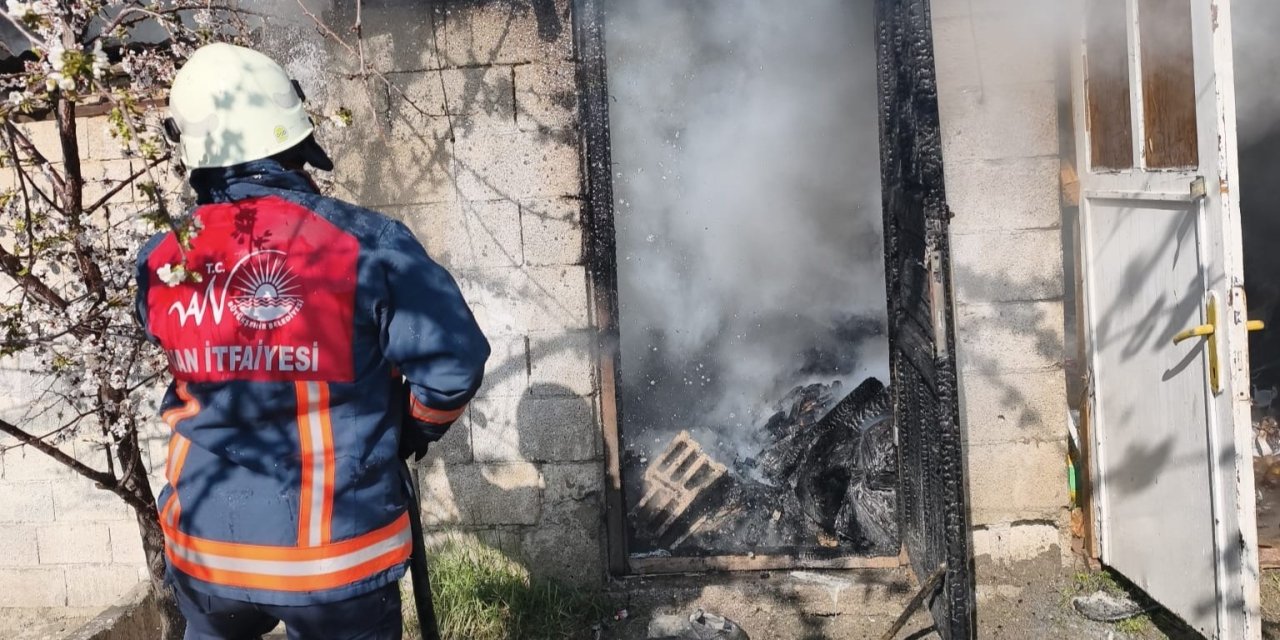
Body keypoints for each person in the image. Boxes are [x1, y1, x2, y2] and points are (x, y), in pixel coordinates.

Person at [134, 43, 490, 640]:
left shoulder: (162, 257)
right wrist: (412, 430)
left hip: (204, 549)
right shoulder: (364, 242)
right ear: (295, 137)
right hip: (332, 558)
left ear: (191, 148)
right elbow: (452, 364)